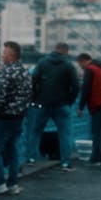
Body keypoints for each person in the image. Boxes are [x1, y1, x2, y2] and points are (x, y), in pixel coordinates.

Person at [0, 41, 32, 195]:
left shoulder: (6, 72)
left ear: (11, 55)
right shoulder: (25, 72)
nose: (2, 55)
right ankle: (13, 183)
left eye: (4, 53)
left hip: (3, 117)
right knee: (12, 148)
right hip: (19, 117)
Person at [31, 42, 79, 171]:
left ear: (55, 49)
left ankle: (31, 158)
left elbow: (33, 80)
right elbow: (75, 86)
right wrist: (69, 100)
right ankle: (65, 163)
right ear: (65, 51)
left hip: (43, 103)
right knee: (65, 134)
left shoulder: (42, 63)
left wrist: (36, 98)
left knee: (36, 131)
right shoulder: (68, 65)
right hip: (62, 104)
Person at [76, 53, 101, 166]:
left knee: (97, 132)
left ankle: (95, 159)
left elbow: (86, 90)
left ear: (84, 61)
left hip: (99, 104)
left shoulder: (90, 69)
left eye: (80, 65)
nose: (80, 67)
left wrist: (80, 107)